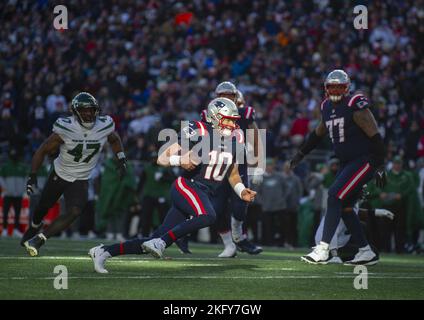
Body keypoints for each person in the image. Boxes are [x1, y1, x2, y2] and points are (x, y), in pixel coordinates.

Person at [89, 97, 256, 273]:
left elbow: (233, 173)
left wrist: (241, 190)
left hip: (203, 192)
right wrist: (180, 159)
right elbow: (162, 158)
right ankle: (162, 243)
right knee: (208, 215)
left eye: (234, 120)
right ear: (215, 117)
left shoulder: (236, 138)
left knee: (152, 240)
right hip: (187, 185)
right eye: (228, 119)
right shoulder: (198, 130)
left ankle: (104, 251)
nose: (232, 124)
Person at [290, 69, 387, 265]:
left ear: (347, 88)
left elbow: (375, 136)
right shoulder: (326, 106)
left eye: (339, 86)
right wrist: (301, 153)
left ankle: (323, 249)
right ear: (326, 89)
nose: (335, 90)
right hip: (346, 163)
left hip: (363, 159)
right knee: (346, 206)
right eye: (331, 86)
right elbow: (318, 133)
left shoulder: (354, 104)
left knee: (334, 195)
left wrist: (379, 165)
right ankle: (365, 251)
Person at [21, 92, 127, 256]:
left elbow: (114, 139)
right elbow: (43, 150)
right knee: (43, 206)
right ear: (75, 112)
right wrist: (32, 175)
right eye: (84, 110)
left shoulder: (104, 125)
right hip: (61, 172)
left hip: (81, 177)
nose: (88, 113)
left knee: (75, 211)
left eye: (91, 110)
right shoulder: (66, 127)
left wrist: (121, 158)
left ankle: (39, 239)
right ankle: (34, 227)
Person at [202, 83, 264, 257]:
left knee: (240, 205)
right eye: (224, 96)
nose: (227, 99)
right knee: (215, 209)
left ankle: (238, 235)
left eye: (230, 96)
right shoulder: (208, 114)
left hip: (238, 165)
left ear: (236, 98)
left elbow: (256, 138)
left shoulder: (244, 114)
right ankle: (229, 244)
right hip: (217, 166)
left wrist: (259, 167)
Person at [0, 148, 29, 237]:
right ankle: (4, 230)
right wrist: (5, 189)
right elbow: (1, 178)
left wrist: (23, 190)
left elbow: (26, 179)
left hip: (18, 194)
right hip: (8, 194)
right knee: (5, 212)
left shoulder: (22, 167)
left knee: (17, 213)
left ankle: (16, 230)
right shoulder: (5, 167)